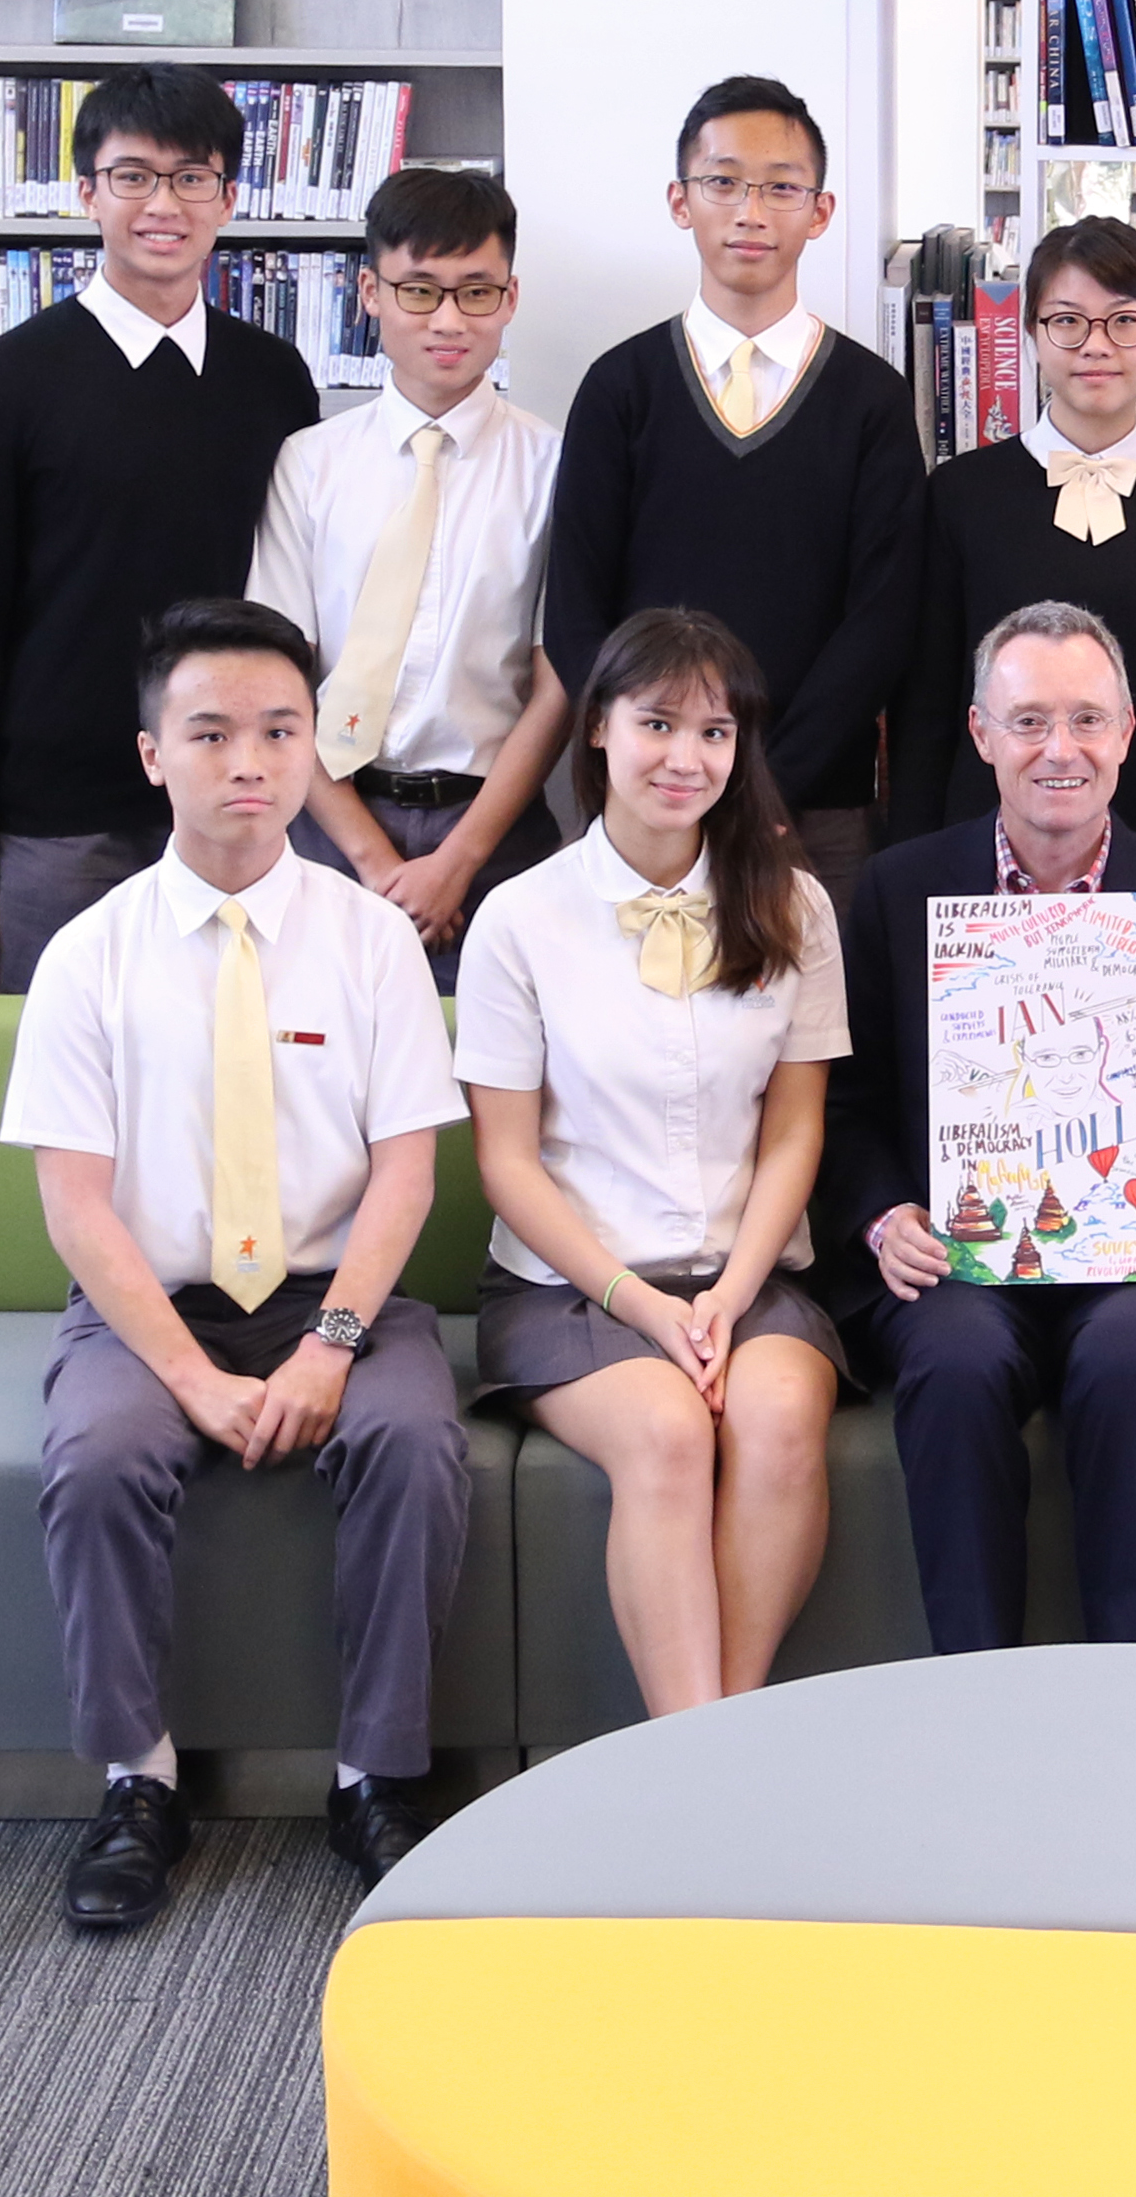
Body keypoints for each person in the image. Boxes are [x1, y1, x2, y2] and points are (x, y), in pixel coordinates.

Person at [0, 599, 472, 1929]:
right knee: (94, 1457)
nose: (249, 762)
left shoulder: (373, 937)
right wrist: (192, 1376)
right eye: (210, 733)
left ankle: (375, 1773)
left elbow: (407, 1174)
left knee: (413, 1447)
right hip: (150, 1304)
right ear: (153, 752)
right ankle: (135, 1780)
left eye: (280, 731)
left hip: (341, 1301)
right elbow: (77, 1208)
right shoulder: (88, 955)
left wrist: (330, 1341)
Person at [820, 601, 1136, 1652]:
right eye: (1027, 721)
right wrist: (882, 1216)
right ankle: (973, 1693)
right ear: (979, 734)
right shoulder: (898, 889)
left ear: (1125, 733)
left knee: (1124, 1361)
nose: (1057, 749)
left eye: (1084, 719)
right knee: (954, 1359)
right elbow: (844, 1102)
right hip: (957, 1252)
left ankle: (1131, 1696)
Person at [459, 609, 845, 1717]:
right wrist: (637, 1303)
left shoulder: (792, 902)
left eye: (715, 733)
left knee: (774, 1422)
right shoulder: (520, 917)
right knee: (670, 1434)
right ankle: (695, 1753)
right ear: (596, 729)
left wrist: (726, 1296)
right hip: (572, 1284)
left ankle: (713, 1736)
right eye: (658, 723)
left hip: (747, 1272)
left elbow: (794, 1131)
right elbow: (506, 1160)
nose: (686, 758)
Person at [0, 65, 320, 990]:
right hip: (57, 823)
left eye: (192, 179)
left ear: (228, 197)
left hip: (234, 799)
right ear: (87, 192)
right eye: (134, 176)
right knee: (62, 1084)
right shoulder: (0, 385)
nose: (164, 205)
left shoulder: (272, 378)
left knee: (223, 1068)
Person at [540, 77, 924, 922]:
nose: (750, 210)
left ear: (819, 213)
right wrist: (660, 768)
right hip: (644, 809)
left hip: (811, 816)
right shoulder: (620, 388)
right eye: (722, 182)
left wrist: (761, 787)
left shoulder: (872, 400)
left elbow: (883, 619)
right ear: (681, 202)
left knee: (815, 1045)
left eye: (781, 187)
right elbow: (573, 610)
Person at [248, 167, 566, 992]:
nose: (450, 320)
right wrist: (372, 860)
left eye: (477, 292)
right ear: (369, 292)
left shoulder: (554, 466)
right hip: (326, 820)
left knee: (491, 1081)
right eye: (418, 291)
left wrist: (455, 862)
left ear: (512, 296)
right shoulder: (310, 462)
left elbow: (556, 683)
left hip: (493, 829)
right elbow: (275, 679)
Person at [894, 217, 1136, 877]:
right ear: (1033, 335)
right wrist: (914, 863)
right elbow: (925, 706)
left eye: (1125, 321)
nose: (1096, 345)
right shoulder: (958, 497)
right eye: (1067, 322)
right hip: (983, 870)